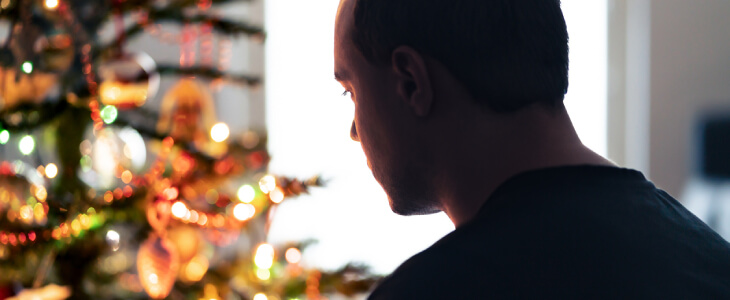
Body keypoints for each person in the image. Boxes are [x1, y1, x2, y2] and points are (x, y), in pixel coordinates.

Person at [333, 0, 730, 298]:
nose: (354, 130)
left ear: (410, 82)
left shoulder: (431, 291)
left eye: (351, 91)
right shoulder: (712, 262)